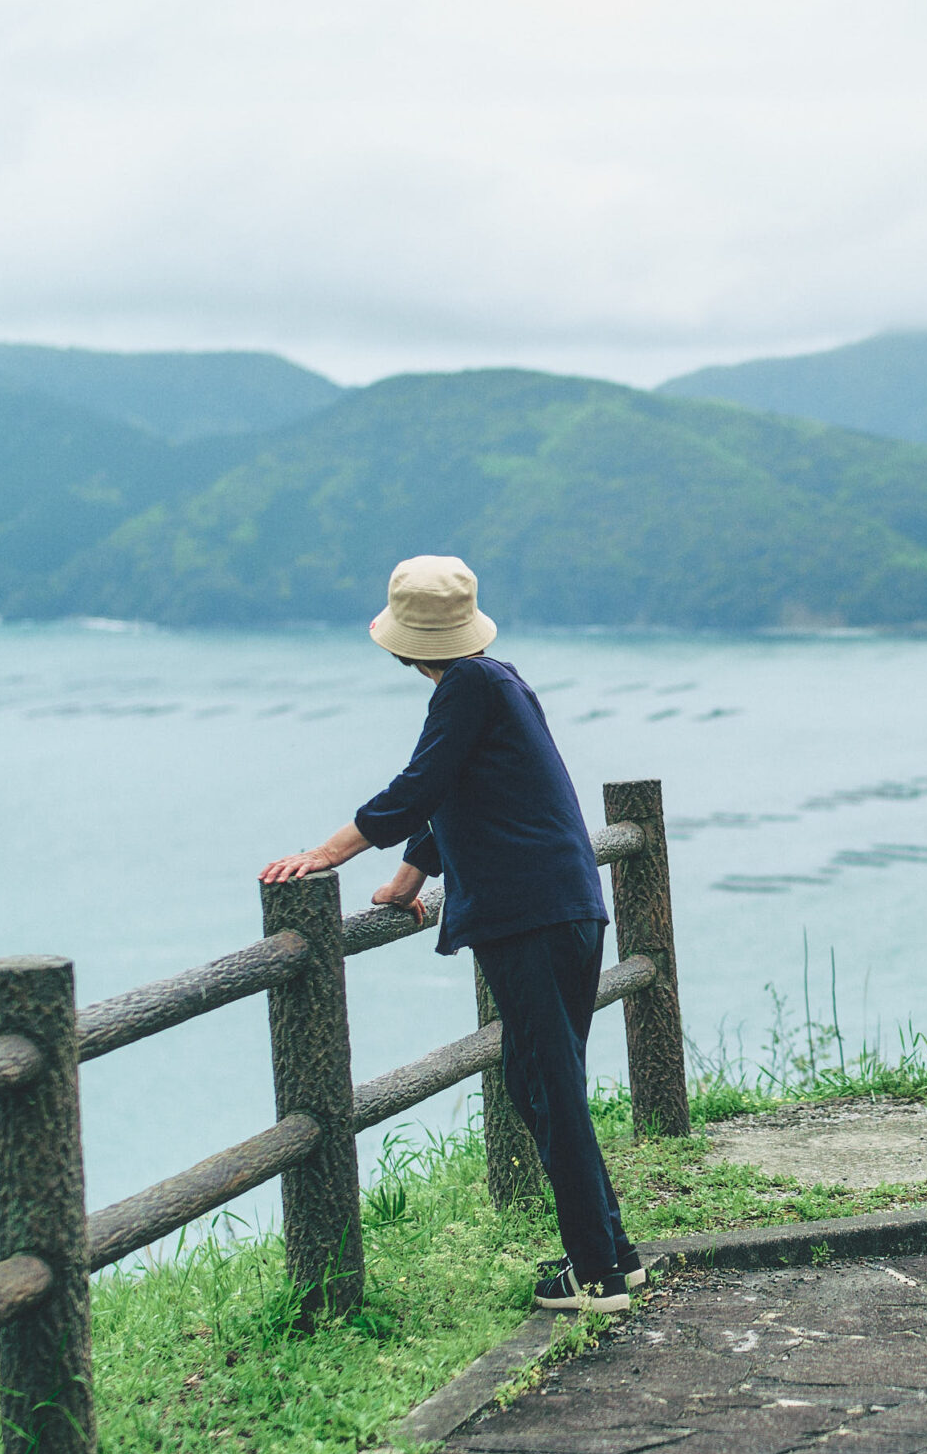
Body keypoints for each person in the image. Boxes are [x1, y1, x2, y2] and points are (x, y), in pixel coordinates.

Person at [259, 555, 647, 1313]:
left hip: (531, 913)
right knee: (545, 1082)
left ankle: (597, 1270)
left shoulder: (468, 687)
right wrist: (409, 880)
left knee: (547, 1085)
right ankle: (613, 1255)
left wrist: (328, 853)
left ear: (402, 642)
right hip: (560, 903)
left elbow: (421, 787)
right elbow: (462, 791)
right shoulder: (495, 679)